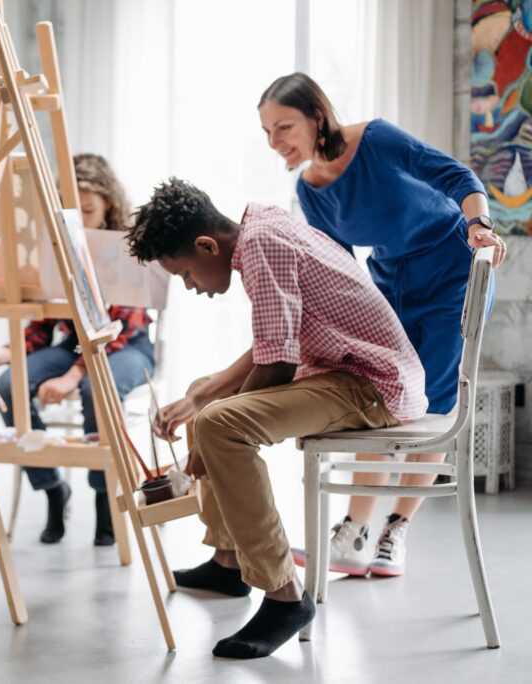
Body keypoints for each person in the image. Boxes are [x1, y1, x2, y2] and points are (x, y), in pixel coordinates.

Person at [128, 179, 427, 658]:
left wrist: (206, 435)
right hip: (346, 373)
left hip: (372, 385)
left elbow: (277, 364)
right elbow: (276, 341)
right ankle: (228, 562)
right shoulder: (263, 225)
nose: (192, 287)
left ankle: (284, 596)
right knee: (203, 400)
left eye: (186, 274)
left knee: (218, 425)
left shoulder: (264, 245)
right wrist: (204, 395)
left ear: (207, 246)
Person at [258, 72, 507, 577]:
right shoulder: (310, 190)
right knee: (387, 399)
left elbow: (458, 176)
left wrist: (480, 226)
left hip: (451, 270)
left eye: (283, 127)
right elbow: (339, 266)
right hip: (389, 282)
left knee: (432, 406)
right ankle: (354, 534)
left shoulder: (376, 139)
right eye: (267, 132)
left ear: (317, 117)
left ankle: (394, 531)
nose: (275, 142)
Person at [0, 154, 155, 546]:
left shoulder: (128, 245)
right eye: (71, 208)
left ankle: (103, 497)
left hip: (127, 346)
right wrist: (8, 352)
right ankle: (52, 488)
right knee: (10, 385)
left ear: (109, 203)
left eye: (88, 209)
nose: (79, 217)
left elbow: (122, 326)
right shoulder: (56, 245)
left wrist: (73, 375)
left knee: (98, 389)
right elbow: (45, 320)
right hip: (74, 343)